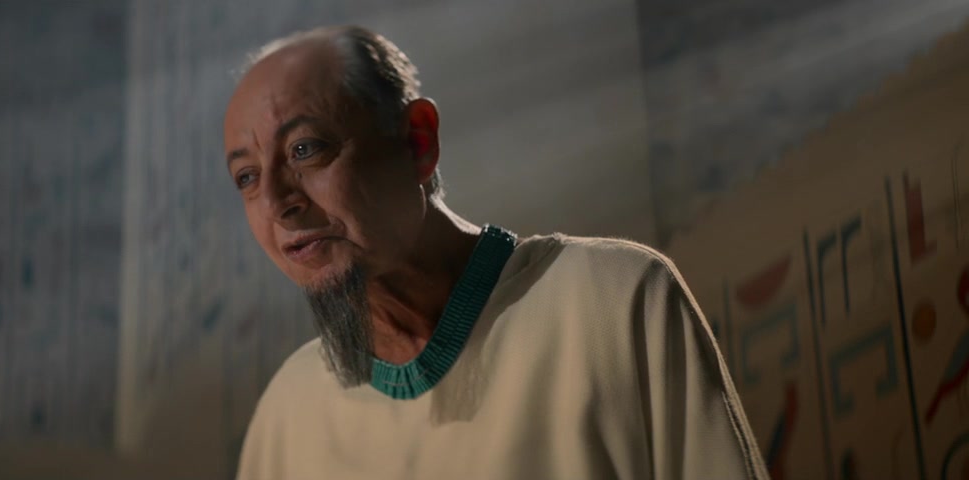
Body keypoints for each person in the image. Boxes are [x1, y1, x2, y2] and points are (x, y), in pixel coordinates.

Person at [223, 25, 769, 480]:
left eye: (305, 149)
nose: (276, 202)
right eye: (246, 176)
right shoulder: (287, 417)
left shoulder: (613, 301)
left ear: (418, 142)